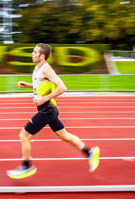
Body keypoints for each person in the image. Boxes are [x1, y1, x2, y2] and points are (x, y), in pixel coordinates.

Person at [7, 43, 100, 179]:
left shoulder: (46, 69)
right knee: (64, 135)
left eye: (34, 52)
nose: (32, 54)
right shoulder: (37, 68)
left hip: (47, 110)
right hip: (49, 110)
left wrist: (43, 99)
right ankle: (90, 152)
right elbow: (40, 84)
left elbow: (62, 88)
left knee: (24, 135)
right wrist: (27, 85)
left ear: (42, 56)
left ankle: (26, 166)